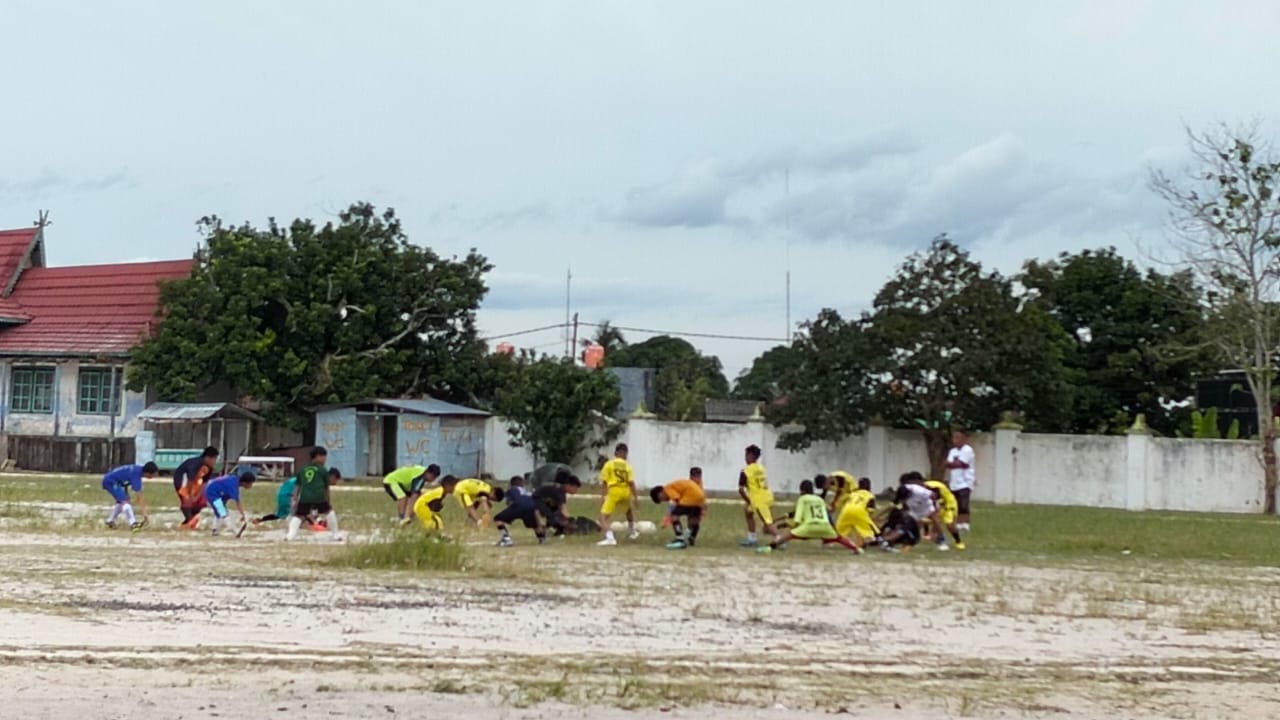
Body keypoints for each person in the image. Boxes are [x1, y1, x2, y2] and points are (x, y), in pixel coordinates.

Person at [757, 480, 862, 554]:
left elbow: (796, 520)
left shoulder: (802, 499)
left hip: (809, 527)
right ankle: (856, 548)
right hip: (825, 527)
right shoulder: (819, 499)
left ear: (801, 490)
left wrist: (787, 527)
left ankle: (769, 547)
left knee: (787, 535)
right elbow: (829, 510)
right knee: (839, 538)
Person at [495, 473, 581, 546]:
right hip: (532, 505)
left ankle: (506, 539)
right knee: (535, 526)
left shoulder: (513, 489)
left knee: (498, 519)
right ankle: (542, 539)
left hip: (521, 504)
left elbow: (507, 499)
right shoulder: (526, 490)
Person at [286, 446, 341, 542]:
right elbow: (326, 487)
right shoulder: (322, 470)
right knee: (329, 512)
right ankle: (335, 534)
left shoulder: (302, 469)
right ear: (318, 456)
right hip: (319, 497)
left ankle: (290, 536)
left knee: (299, 515)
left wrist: (295, 499)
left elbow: (297, 486)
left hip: (305, 498)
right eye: (324, 457)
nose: (325, 459)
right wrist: (328, 501)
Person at [255, 468, 341, 528]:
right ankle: (261, 521)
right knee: (300, 512)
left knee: (282, 515)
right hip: (287, 493)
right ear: (332, 477)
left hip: (284, 491)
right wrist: (315, 521)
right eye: (335, 480)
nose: (335, 483)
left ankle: (260, 521)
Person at [649, 468, 707, 550]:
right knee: (693, 520)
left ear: (660, 493)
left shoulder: (667, 489)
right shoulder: (676, 485)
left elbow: (677, 500)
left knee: (674, 516)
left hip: (691, 495)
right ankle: (691, 539)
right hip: (700, 496)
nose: (665, 500)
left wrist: (669, 517)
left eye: (661, 499)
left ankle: (679, 538)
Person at [597, 443, 638, 546]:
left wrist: (602, 496)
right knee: (628, 511)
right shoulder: (627, 466)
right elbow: (631, 482)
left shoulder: (609, 464)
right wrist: (635, 497)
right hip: (625, 491)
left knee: (603, 517)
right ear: (626, 454)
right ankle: (631, 530)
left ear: (615, 453)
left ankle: (610, 538)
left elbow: (605, 482)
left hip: (614, 490)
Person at [738, 444, 777, 547]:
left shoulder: (745, 471)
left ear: (750, 456)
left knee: (767, 522)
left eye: (746, 455)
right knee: (748, 511)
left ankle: (779, 539)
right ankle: (752, 539)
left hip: (759, 499)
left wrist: (748, 500)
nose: (745, 458)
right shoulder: (761, 468)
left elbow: (741, 490)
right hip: (767, 495)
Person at [102, 462, 157, 531]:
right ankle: (133, 523)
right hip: (111, 481)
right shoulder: (136, 475)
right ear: (148, 473)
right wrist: (145, 514)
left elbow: (125, 479)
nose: (155, 476)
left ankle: (110, 521)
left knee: (122, 501)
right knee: (125, 501)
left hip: (112, 480)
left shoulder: (137, 470)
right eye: (153, 474)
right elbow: (139, 497)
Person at [174, 446, 218, 530]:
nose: (215, 461)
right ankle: (190, 520)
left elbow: (204, 483)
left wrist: (197, 496)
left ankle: (188, 521)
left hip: (195, 481)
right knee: (186, 499)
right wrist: (190, 496)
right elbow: (189, 480)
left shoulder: (209, 468)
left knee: (201, 502)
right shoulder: (196, 464)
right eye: (214, 459)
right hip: (183, 478)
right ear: (207, 458)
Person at [203, 471, 256, 536]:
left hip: (217, 491)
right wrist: (243, 515)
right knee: (223, 511)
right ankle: (234, 530)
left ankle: (215, 529)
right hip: (212, 492)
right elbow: (238, 502)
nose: (251, 485)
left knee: (219, 512)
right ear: (245, 482)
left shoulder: (234, 480)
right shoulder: (233, 485)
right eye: (250, 483)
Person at [834, 477, 880, 550]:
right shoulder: (870, 495)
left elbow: (842, 500)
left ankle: (830, 541)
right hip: (859, 512)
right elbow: (870, 510)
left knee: (838, 532)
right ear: (869, 486)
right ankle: (870, 540)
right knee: (868, 530)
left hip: (846, 511)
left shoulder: (853, 493)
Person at [923, 478, 967, 551]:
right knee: (931, 521)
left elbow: (936, 497)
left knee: (949, 524)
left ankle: (958, 542)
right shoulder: (922, 488)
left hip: (948, 504)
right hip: (939, 503)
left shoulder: (933, 487)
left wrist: (936, 509)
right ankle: (939, 540)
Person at [946, 430, 976, 532]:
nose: (956, 440)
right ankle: (959, 523)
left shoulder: (968, 450)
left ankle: (966, 523)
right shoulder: (952, 451)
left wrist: (956, 463)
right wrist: (956, 464)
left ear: (963, 439)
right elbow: (948, 464)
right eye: (954, 438)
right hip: (954, 481)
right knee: (955, 504)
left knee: (964, 504)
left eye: (958, 438)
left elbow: (961, 463)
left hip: (965, 481)